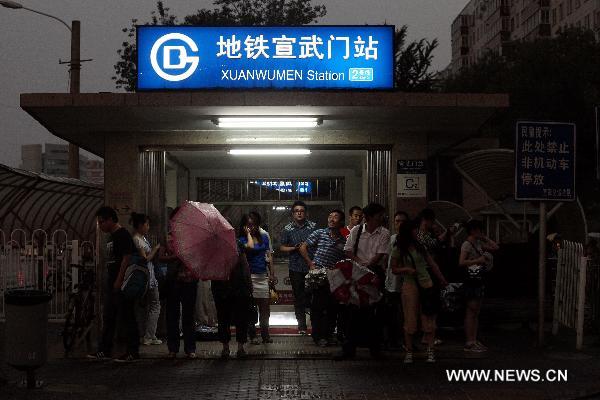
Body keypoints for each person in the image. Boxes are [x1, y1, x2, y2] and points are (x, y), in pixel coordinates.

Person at [391, 220, 448, 364]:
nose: (417, 232)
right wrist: (407, 270)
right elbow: (394, 268)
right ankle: (409, 351)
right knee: (410, 319)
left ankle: (430, 350)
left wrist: (441, 279)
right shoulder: (398, 248)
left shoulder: (420, 246)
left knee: (428, 318)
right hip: (410, 284)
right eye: (414, 229)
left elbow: (432, 263)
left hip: (426, 283)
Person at [338, 203, 390, 359]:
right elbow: (347, 250)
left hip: (374, 273)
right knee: (354, 312)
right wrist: (360, 263)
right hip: (357, 274)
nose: (382, 218)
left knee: (375, 313)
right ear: (369, 217)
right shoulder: (357, 230)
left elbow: (381, 254)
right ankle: (349, 349)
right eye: (379, 215)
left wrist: (368, 265)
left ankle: (375, 349)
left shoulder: (384, 233)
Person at [87, 206, 140, 362]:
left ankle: (132, 351)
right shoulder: (112, 236)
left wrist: (119, 279)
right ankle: (105, 350)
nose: (101, 225)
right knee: (110, 317)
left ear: (110, 219)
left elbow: (127, 257)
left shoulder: (122, 235)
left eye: (102, 222)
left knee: (127, 316)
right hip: (114, 282)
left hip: (122, 283)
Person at [298, 209, 347, 346]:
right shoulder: (320, 233)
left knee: (332, 307)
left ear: (341, 222)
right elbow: (303, 247)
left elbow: (346, 259)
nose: (331, 219)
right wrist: (310, 263)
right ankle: (318, 336)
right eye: (330, 216)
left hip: (335, 278)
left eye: (335, 217)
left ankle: (329, 334)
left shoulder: (344, 240)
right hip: (319, 276)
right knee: (318, 307)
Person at [160, 209, 199, 359]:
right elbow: (161, 257)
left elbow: (197, 258)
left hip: (190, 280)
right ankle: (173, 348)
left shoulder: (192, 238)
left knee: (189, 315)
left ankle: (190, 348)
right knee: (172, 315)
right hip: (173, 281)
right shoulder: (168, 237)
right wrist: (176, 256)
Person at [459, 219, 499, 354]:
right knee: (471, 311)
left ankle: (473, 339)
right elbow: (461, 262)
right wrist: (478, 260)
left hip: (478, 279)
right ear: (472, 230)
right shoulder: (467, 245)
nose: (480, 232)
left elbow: (495, 247)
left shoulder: (478, 243)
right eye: (478, 230)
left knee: (476, 312)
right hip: (471, 280)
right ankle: (469, 342)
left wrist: (484, 237)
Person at [211, 234, 253, 359]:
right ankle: (239, 348)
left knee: (224, 318)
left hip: (224, 286)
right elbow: (245, 265)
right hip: (235, 286)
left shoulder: (215, 246)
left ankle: (226, 348)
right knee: (239, 318)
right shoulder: (237, 243)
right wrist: (249, 285)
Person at [279, 200, 316, 335]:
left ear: (305, 213)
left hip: (312, 266)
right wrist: (294, 248)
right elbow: (282, 247)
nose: (299, 213)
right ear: (292, 214)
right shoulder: (287, 229)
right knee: (298, 297)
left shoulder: (313, 227)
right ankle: (301, 326)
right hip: (295, 267)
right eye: (296, 211)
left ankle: (316, 325)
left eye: (301, 211)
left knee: (313, 296)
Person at [240, 212, 276, 344]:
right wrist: (248, 234)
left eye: (254, 224)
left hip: (262, 276)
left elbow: (268, 256)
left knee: (265, 308)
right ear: (244, 226)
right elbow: (249, 248)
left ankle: (265, 333)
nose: (252, 227)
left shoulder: (264, 237)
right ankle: (252, 335)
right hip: (249, 277)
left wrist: (272, 273)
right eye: (249, 224)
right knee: (251, 308)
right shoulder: (242, 240)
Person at [130, 212, 162, 346]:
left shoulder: (142, 238)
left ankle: (149, 334)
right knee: (155, 305)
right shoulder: (137, 240)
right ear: (140, 225)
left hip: (149, 276)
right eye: (147, 224)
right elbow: (145, 259)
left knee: (150, 306)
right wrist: (155, 249)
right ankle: (149, 336)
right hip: (146, 277)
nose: (148, 227)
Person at [383, 211, 409, 349]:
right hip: (392, 282)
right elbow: (386, 260)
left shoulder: (411, 240)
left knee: (406, 313)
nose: (400, 224)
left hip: (407, 282)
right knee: (392, 313)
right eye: (397, 221)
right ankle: (392, 339)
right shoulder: (391, 239)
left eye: (402, 221)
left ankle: (405, 340)